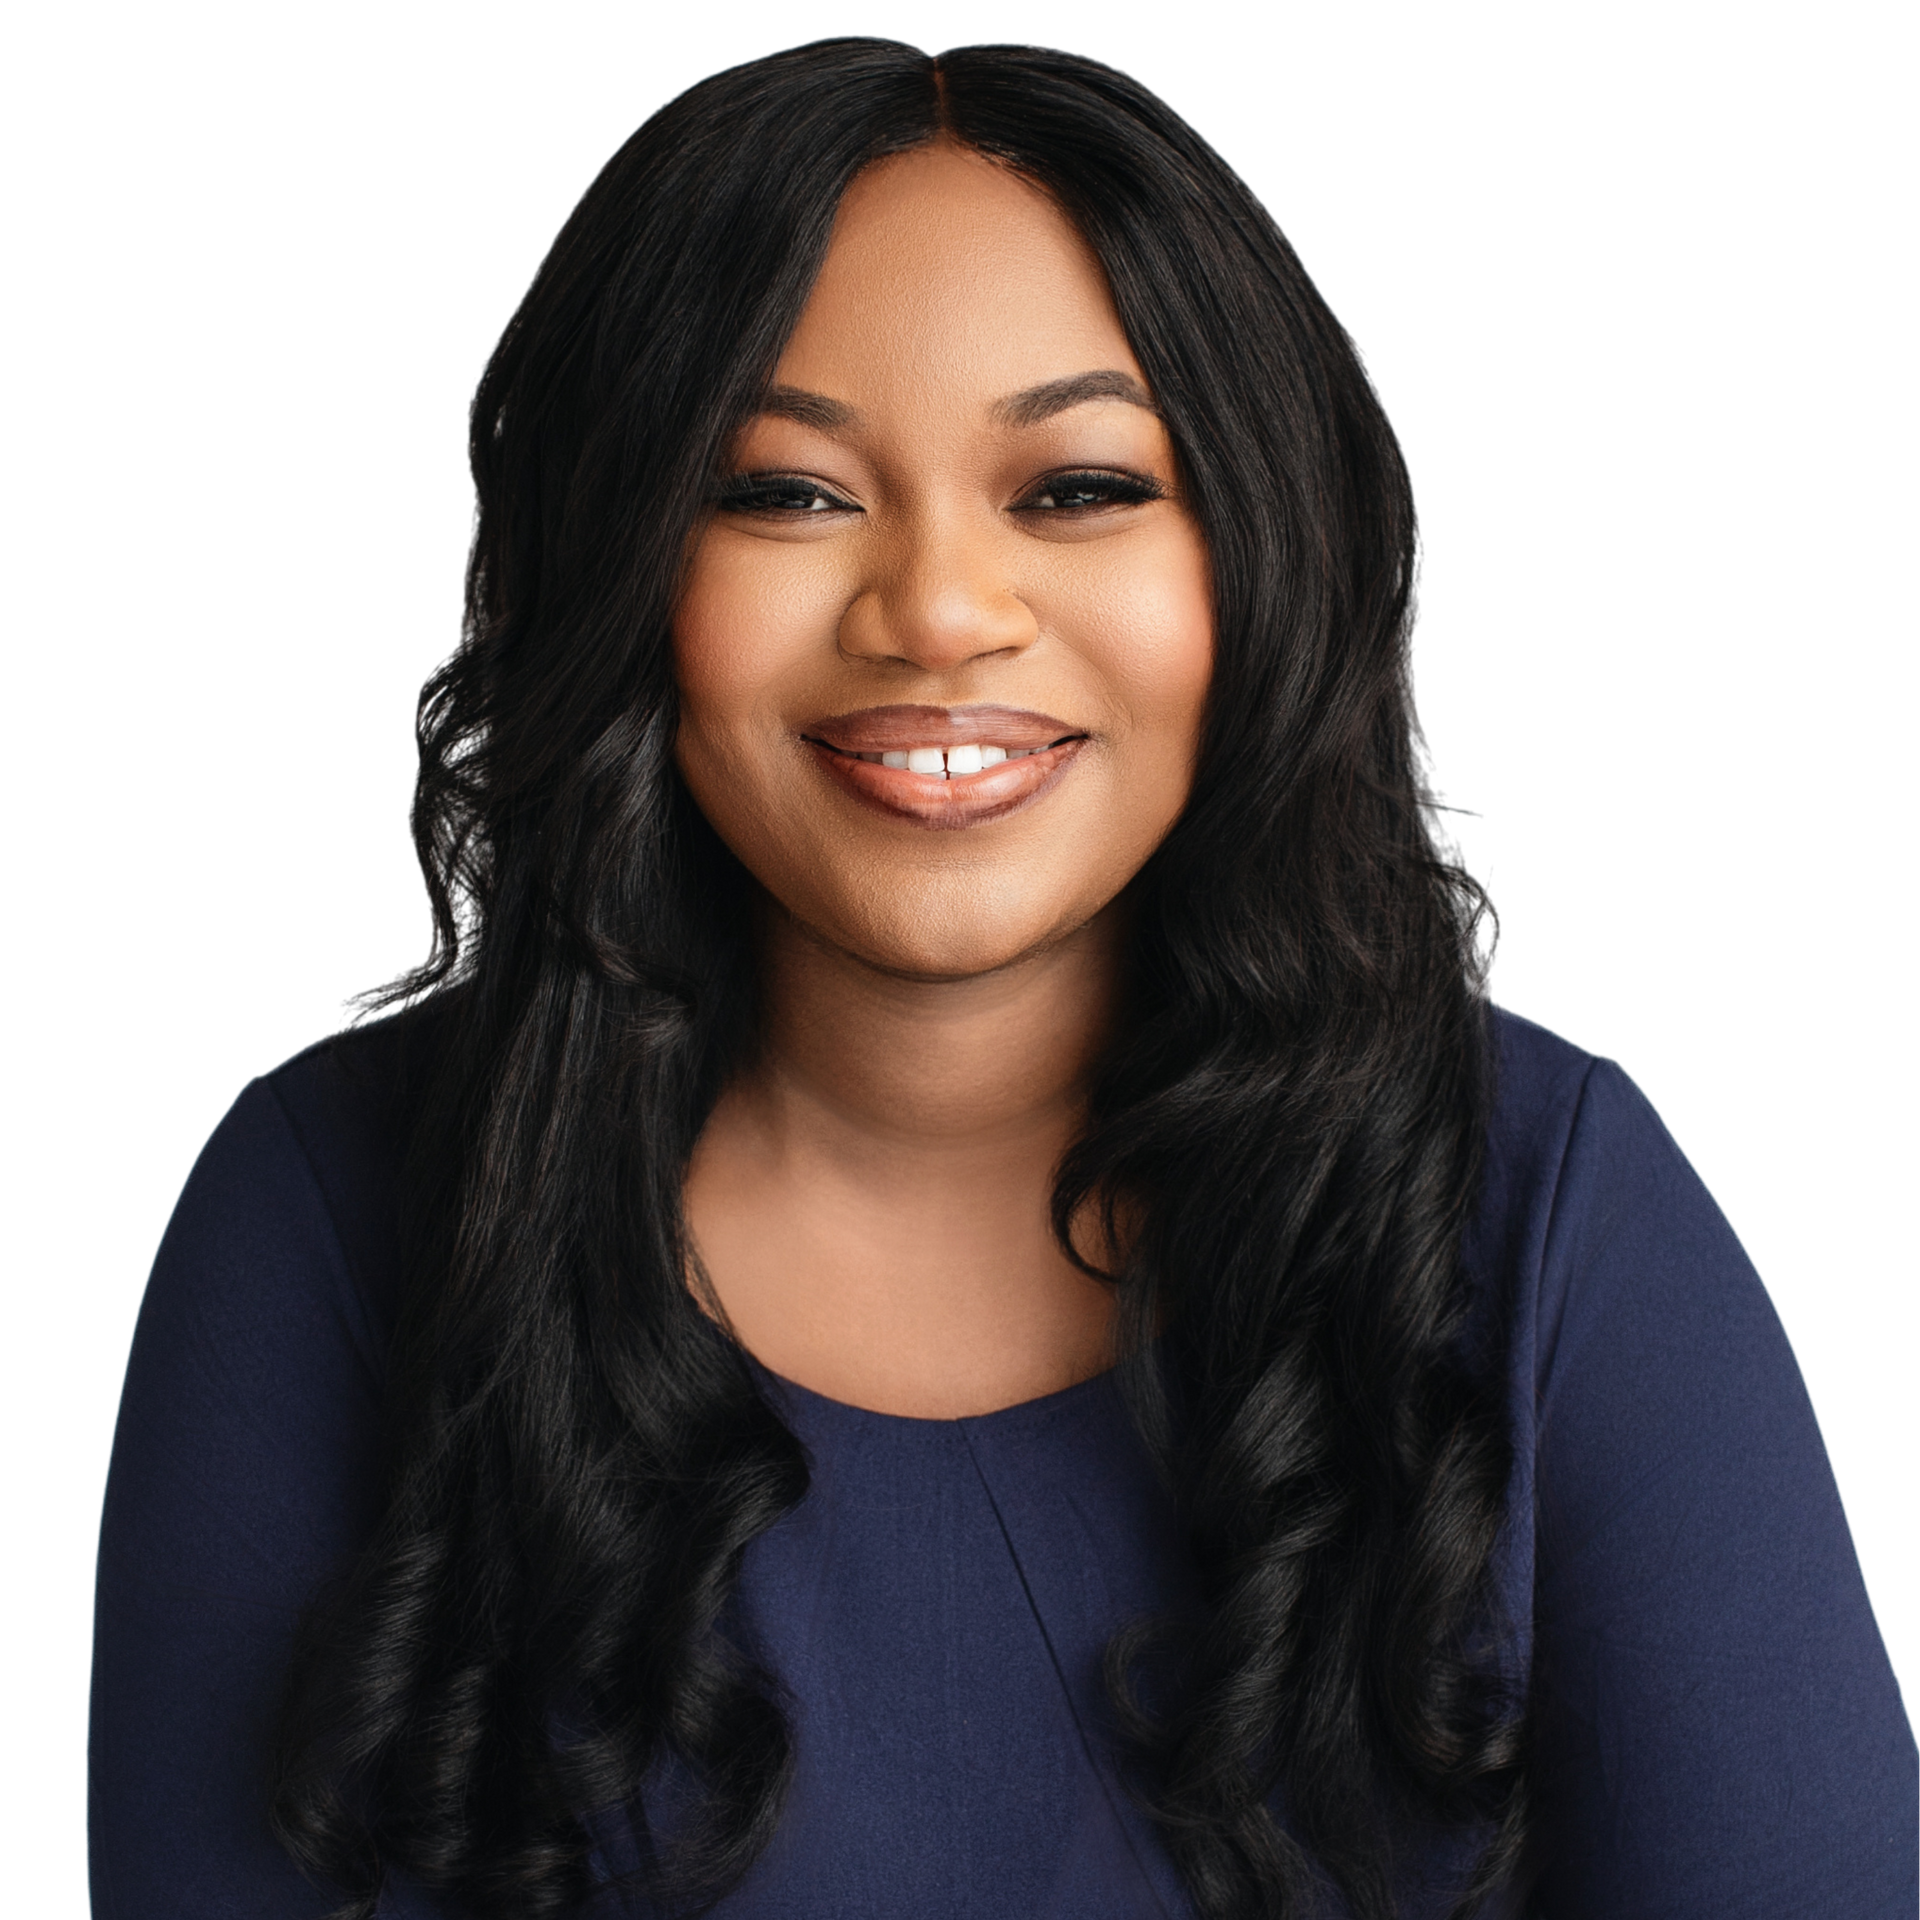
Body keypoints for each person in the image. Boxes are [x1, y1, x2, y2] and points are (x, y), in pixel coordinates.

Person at [84, 37, 1918, 1920]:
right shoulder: (325, 1214)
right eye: (788, 492)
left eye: (1079, 485)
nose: (941, 612)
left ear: (1260, 555)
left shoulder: (1563, 1219)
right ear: (617, 564)